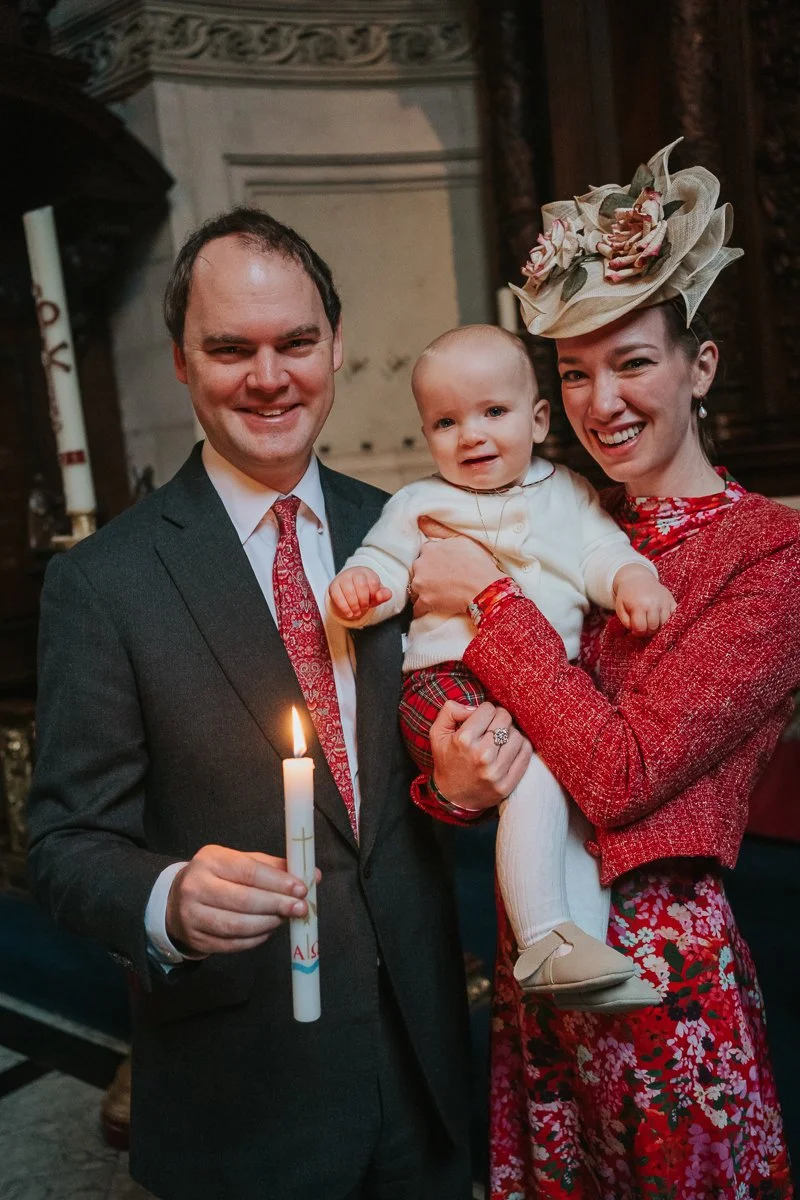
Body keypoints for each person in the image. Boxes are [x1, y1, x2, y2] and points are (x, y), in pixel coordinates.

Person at [26, 207, 522, 1200]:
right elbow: (61, 843)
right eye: (229, 348)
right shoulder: (107, 582)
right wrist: (165, 898)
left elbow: (421, 779)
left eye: (295, 342)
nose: (268, 376)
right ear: (180, 359)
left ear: (335, 347)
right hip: (244, 1086)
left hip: (425, 1056)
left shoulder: (407, 527)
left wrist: (465, 782)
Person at [409, 141, 799, 1196]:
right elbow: (474, 705)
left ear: (698, 367)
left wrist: (484, 599)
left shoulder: (770, 556)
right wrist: (450, 774)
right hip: (532, 956)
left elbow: (622, 771)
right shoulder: (564, 517)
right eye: (573, 375)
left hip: (659, 970)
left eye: (631, 362)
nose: (599, 401)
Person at [327, 323, 673, 1011]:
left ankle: (585, 957)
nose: (471, 436)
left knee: (576, 806)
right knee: (541, 763)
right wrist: (363, 589)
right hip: (447, 685)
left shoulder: (569, 492)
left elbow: (601, 554)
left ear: (538, 419)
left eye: (493, 413)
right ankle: (544, 938)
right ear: (426, 436)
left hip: (543, 683)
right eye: (446, 422)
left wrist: (633, 581)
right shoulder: (420, 504)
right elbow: (387, 565)